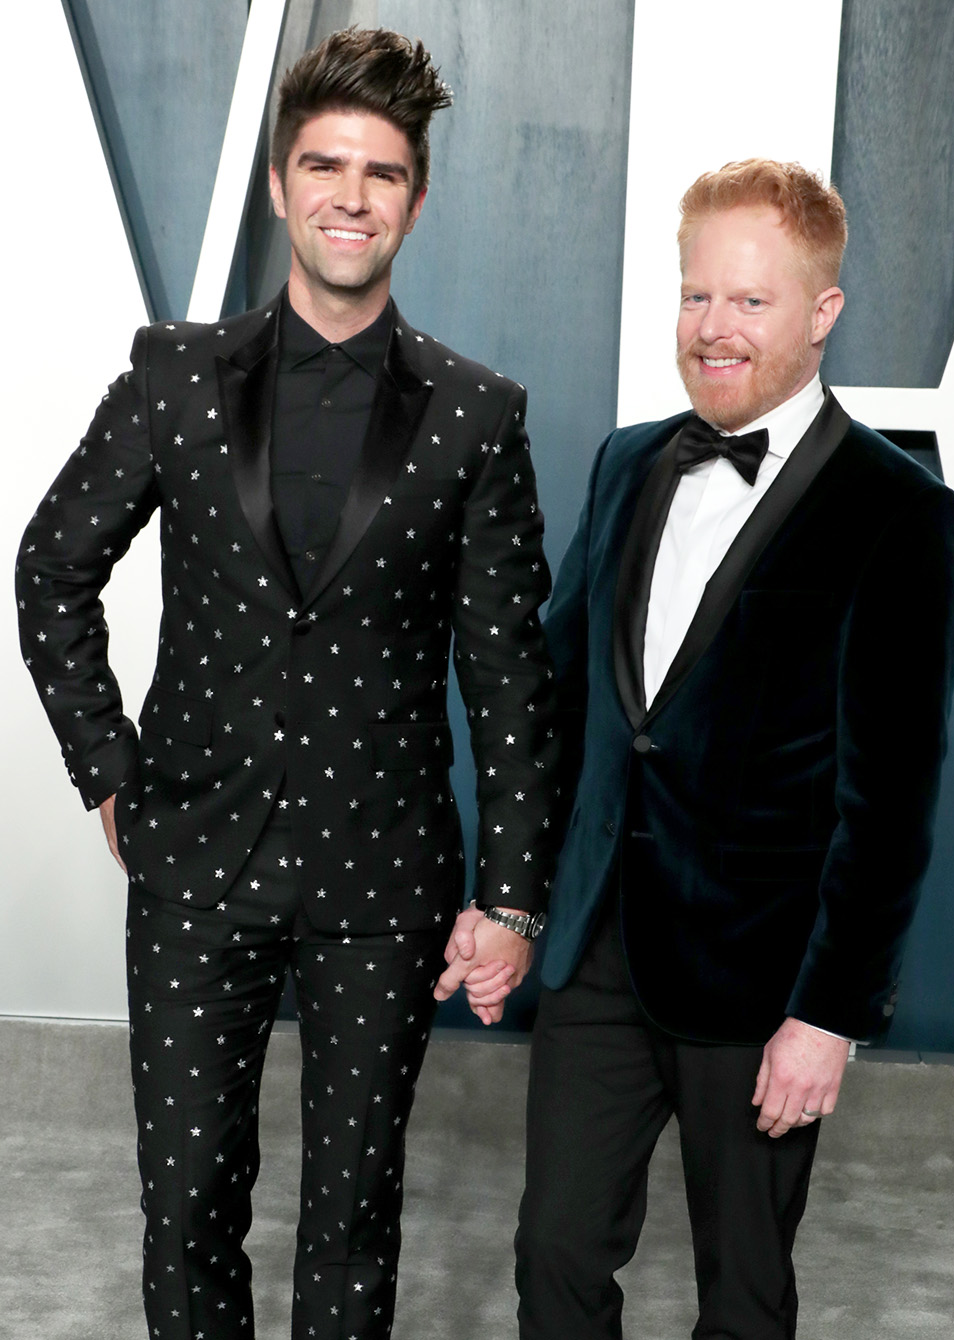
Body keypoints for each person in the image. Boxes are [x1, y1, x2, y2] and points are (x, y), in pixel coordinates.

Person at [16, 26, 558, 1340]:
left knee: (354, 1212)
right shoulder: (175, 375)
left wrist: (513, 899)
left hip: (383, 881)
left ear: (415, 198)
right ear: (279, 184)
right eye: (325, 164)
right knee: (189, 1202)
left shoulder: (475, 415)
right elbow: (51, 569)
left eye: (380, 172)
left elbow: (512, 680)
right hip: (195, 865)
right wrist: (111, 776)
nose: (351, 196)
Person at [512, 160, 954, 1339]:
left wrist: (828, 1013)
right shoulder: (627, 460)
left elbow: (891, 799)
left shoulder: (898, 511)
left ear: (822, 313)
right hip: (599, 949)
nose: (712, 329)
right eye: (695, 295)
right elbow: (563, 702)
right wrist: (512, 903)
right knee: (554, 1254)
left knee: (744, 1292)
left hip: (762, 984)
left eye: (749, 302)